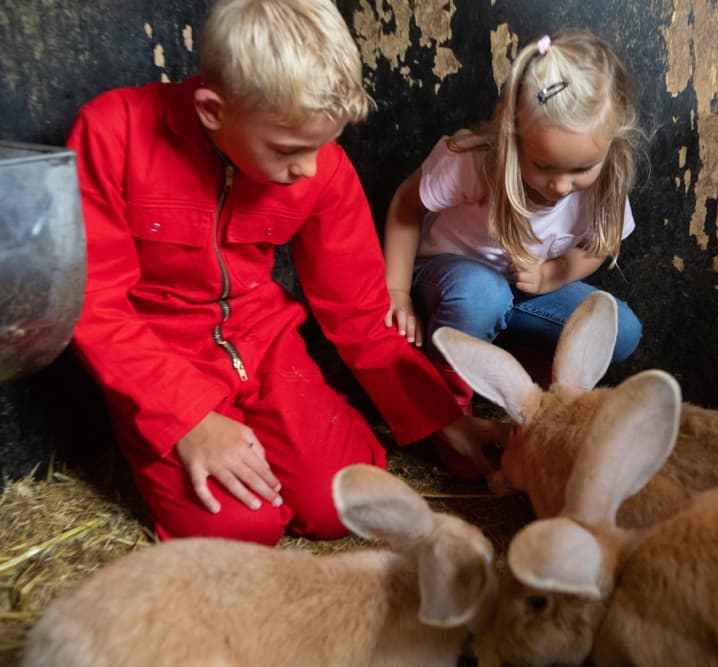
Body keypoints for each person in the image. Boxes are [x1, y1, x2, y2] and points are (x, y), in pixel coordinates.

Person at [66, 0, 505, 546]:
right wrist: (188, 421)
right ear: (211, 110)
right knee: (239, 529)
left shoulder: (319, 167)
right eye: (288, 149)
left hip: (264, 345)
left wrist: (446, 420)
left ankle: (309, 431)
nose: (312, 168)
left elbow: (361, 313)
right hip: (160, 357)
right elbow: (94, 302)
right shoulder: (112, 133)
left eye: (326, 144)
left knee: (344, 503)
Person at [382, 29, 643, 411]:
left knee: (621, 328)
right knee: (483, 295)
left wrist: (553, 275)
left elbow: (597, 246)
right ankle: (445, 402)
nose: (559, 185)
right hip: (451, 286)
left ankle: (534, 402)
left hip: (525, 292)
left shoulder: (607, 182)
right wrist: (397, 292)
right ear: (511, 133)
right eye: (542, 165)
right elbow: (407, 206)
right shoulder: (472, 162)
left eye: (582, 168)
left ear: (612, 145)